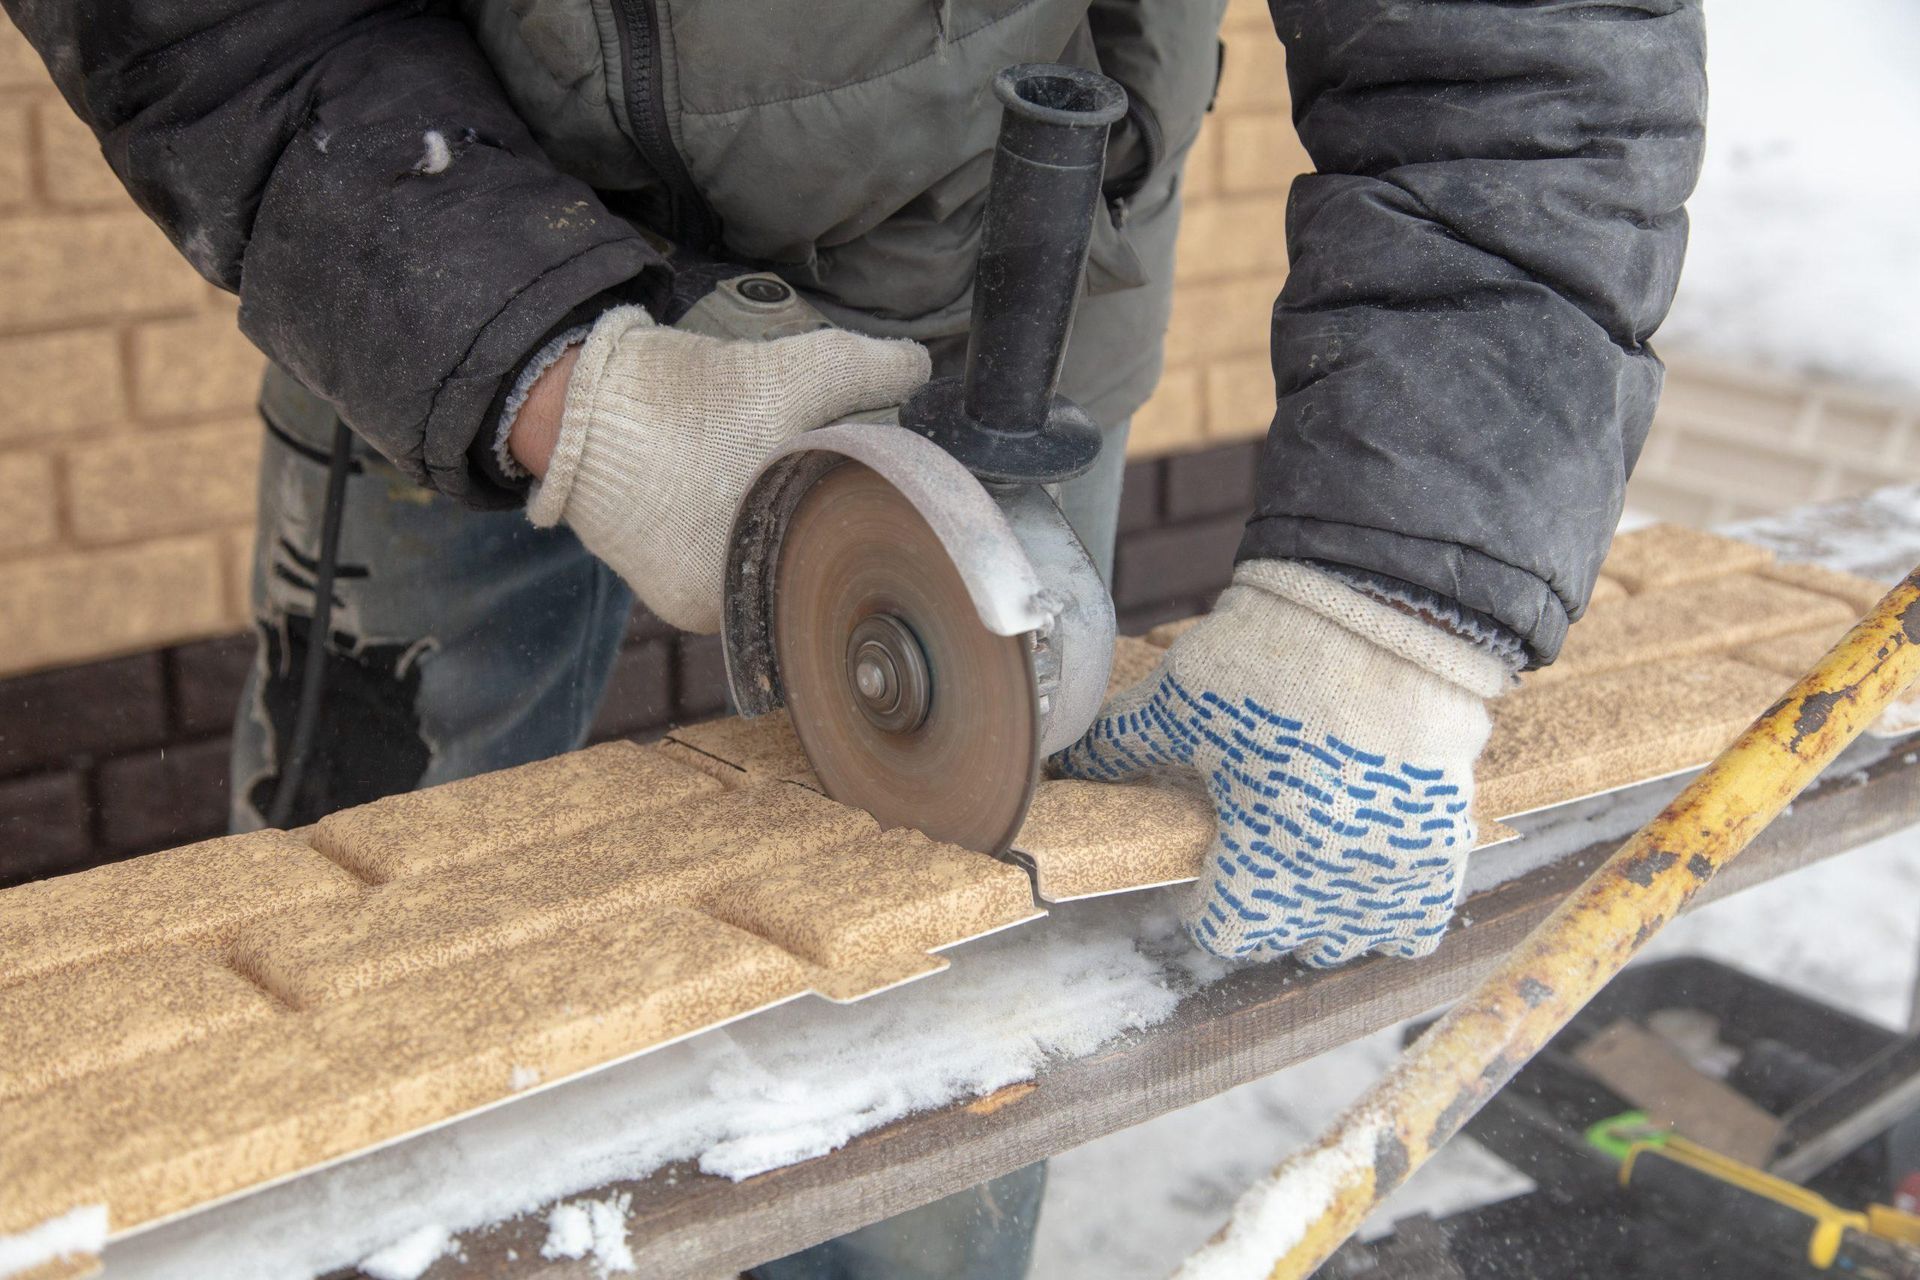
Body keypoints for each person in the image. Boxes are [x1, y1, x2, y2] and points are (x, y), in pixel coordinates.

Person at [8, 1, 1706, 1274]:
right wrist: (551, 381)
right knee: (327, 960)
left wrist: (1396, 608)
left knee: (953, 1026)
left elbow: (1523, 64)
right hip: (415, 237)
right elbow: (214, 24)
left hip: (984, 301)